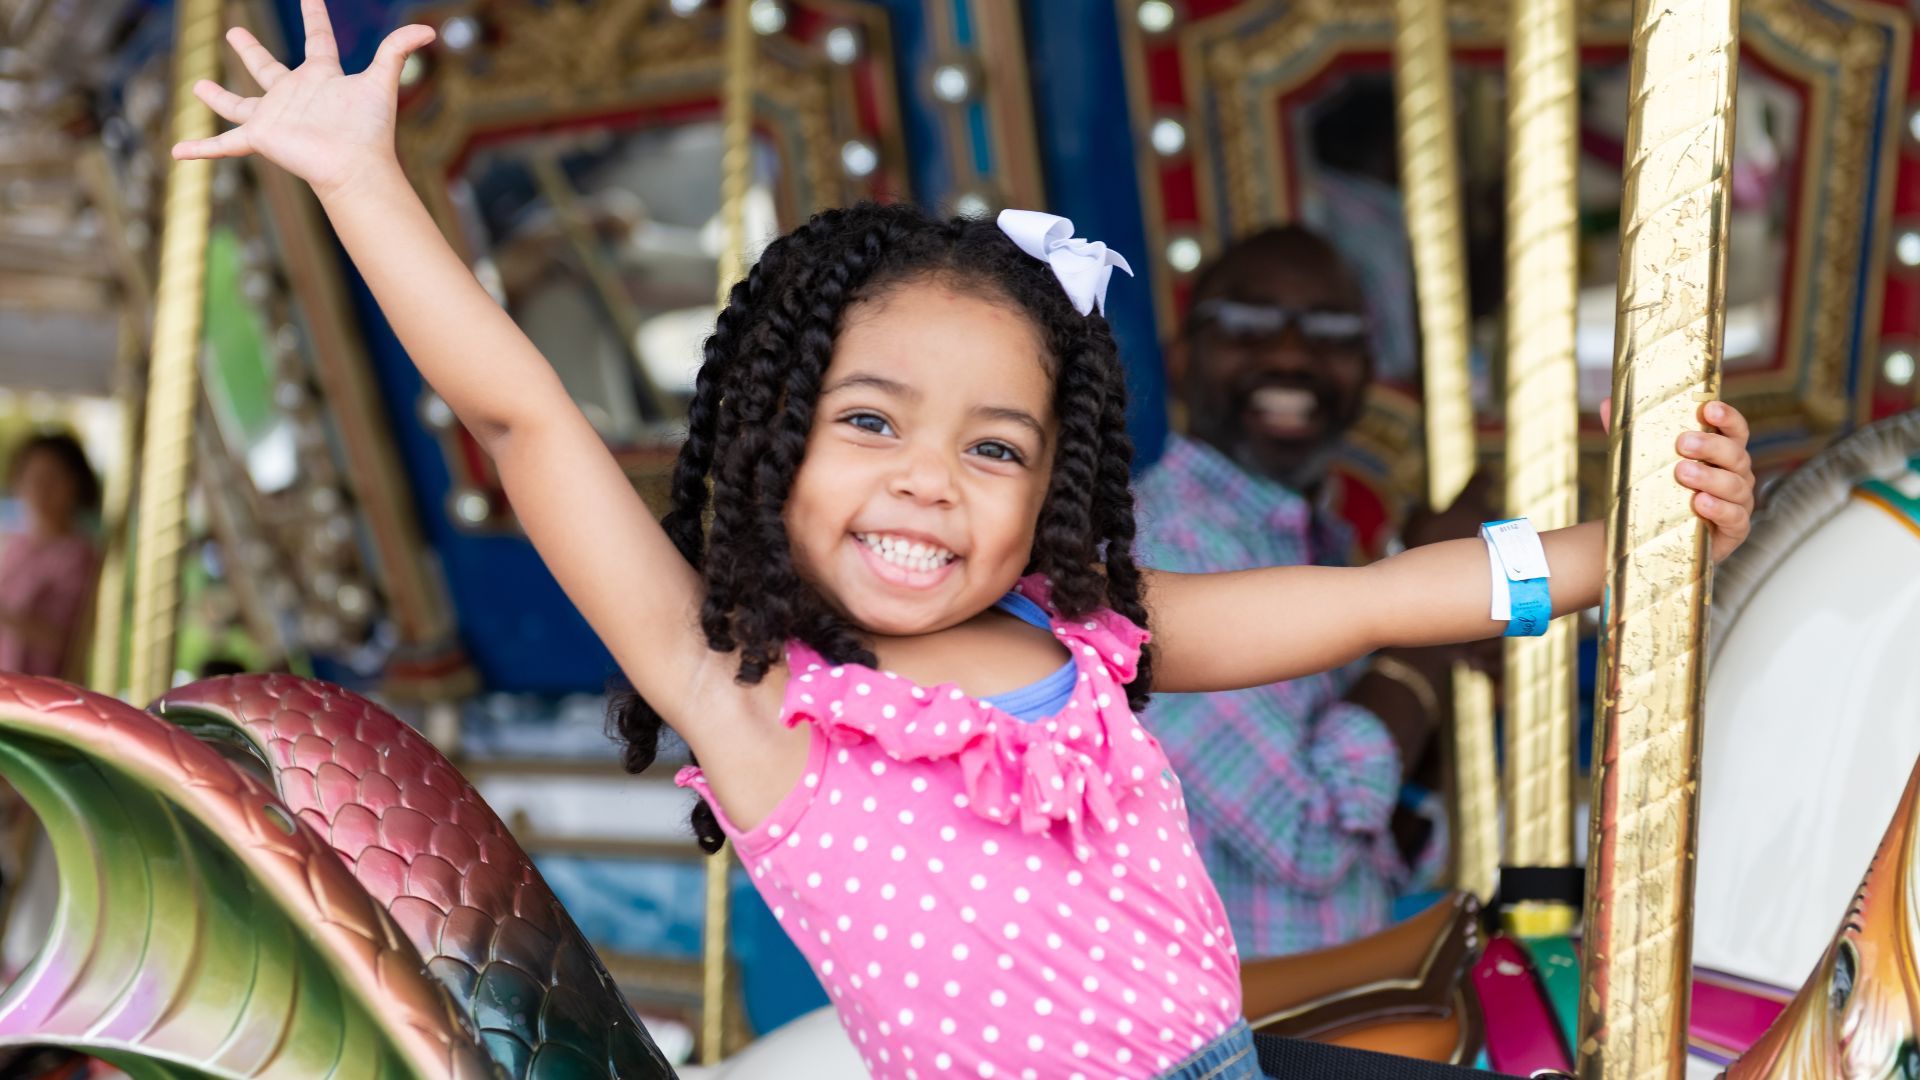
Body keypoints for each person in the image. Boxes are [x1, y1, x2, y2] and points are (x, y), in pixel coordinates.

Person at [173, 8, 1758, 1076]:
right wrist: (364, 180)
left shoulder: (1103, 643)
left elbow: (1376, 600)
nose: (930, 481)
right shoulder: (746, 695)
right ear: (775, 447)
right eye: (871, 424)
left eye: (993, 448)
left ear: (1051, 489)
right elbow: (525, 419)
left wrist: (1642, 534)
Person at [1135, 226, 1484, 958]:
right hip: (1230, 1048)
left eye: (1331, 331)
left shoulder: (1316, 544)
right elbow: (1312, 833)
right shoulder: (1158, 550)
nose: (1291, 354)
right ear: (1180, 359)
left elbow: (1387, 839)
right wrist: (1433, 601)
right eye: (1247, 325)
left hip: (1338, 999)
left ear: (1365, 368)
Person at [0, 433, 101, 679]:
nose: (40, 490)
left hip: (43, 692)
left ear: (74, 485)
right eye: (32, 479)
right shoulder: (15, 545)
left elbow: (69, 641)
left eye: (52, 480)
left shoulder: (78, 556)